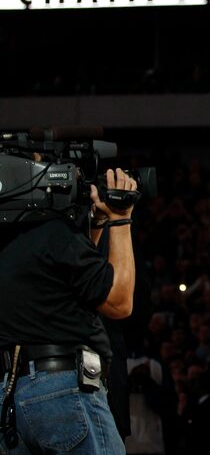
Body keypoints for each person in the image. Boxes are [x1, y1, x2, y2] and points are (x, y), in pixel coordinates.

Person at [0, 167, 137, 453]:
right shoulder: (53, 233)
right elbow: (119, 302)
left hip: (9, 396)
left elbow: (72, 283)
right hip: (63, 389)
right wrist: (121, 218)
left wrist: (95, 222)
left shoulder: (11, 243)